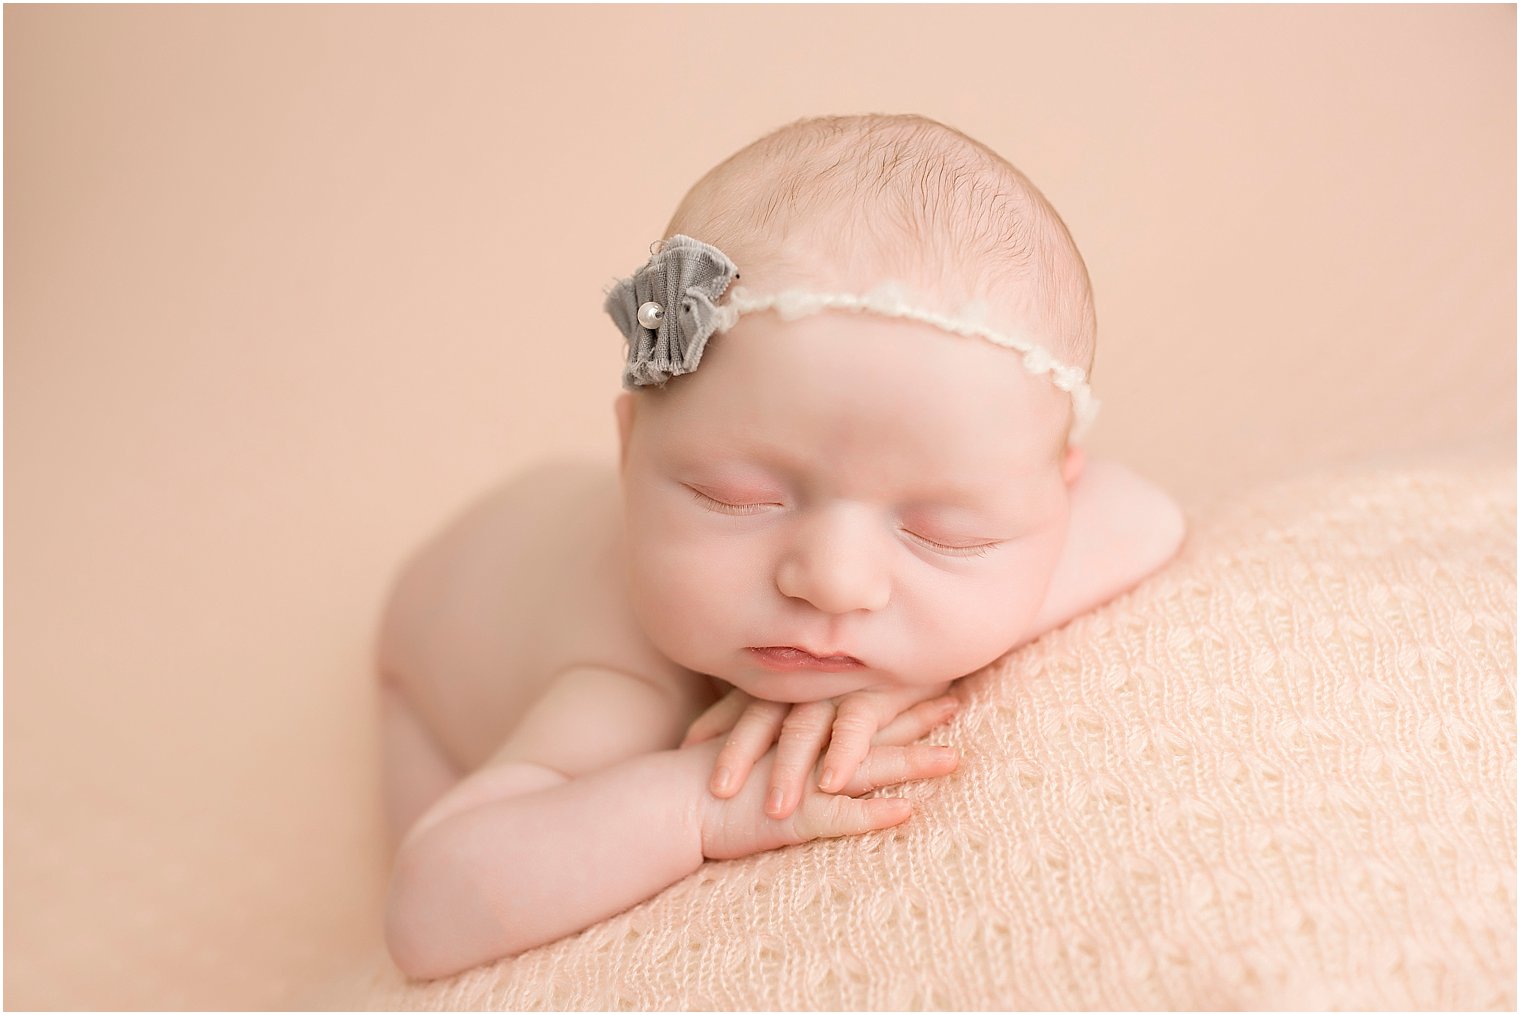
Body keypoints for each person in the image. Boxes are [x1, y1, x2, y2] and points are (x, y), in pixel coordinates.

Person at [376, 113, 1187, 980]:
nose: (834, 582)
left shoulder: (1028, 501)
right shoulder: (620, 673)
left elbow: (1147, 515)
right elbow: (429, 906)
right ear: (629, 451)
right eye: (739, 500)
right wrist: (700, 803)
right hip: (427, 648)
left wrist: (914, 671)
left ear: (1056, 489)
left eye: (943, 533)